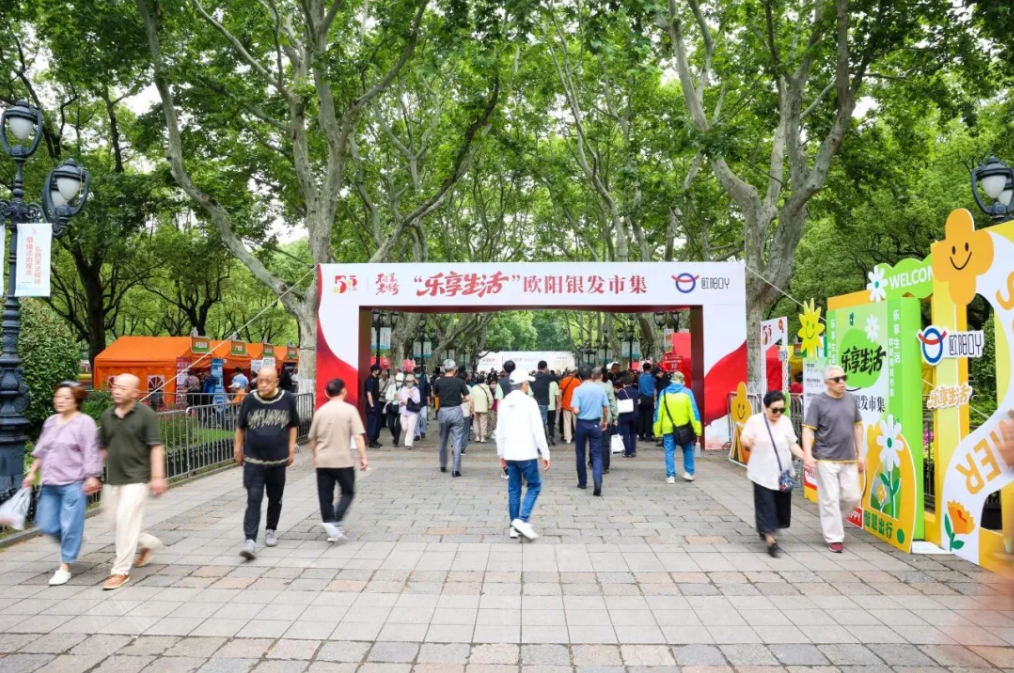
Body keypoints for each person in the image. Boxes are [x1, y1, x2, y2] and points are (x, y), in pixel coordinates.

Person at [22, 382, 102, 586]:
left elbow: (91, 451)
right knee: (47, 524)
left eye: (66, 398)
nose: (60, 401)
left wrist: (92, 476)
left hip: (73, 483)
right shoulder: (50, 421)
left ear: (76, 400)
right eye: (58, 396)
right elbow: (42, 450)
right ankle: (73, 541)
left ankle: (65, 566)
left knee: (69, 525)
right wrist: (31, 473)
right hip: (50, 482)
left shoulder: (84, 423)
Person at [98, 374, 167, 591]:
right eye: (115, 387)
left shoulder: (146, 414)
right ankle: (149, 543)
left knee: (125, 520)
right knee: (114, 521)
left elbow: (156, 446)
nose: (117, 391)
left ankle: (120, 571)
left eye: (122, 388)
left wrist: (157, 476)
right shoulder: (107, 415)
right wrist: (92, 474)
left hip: (138, 478)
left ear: (135, 393)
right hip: (113, 478)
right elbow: (103, 448)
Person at [234, 365, 300, 560]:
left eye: (267, 381)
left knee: (275, 497)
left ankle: (271, 528)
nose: (263, 384)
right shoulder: (250, 400)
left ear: (276, 382)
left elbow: (293, 425)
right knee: (253, 499)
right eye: (260, 380)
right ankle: (250, 540)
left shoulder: (287, 399)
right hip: (253, 460)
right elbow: (240, 427)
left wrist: (291, 449)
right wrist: (237, 448)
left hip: (277, 460)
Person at [803, 365, 864, 553]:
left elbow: (858, 426)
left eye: (844, 377)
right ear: (827, 383)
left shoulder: (851, 400)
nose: (842, 382)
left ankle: (833, 518)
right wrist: (808, 455)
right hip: (825, 458)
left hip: (848, 458)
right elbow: (808, 429)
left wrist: (860, 454)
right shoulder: (818, 402)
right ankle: (834, 537)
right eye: (837, 379)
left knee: (852, 496)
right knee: (829, 498)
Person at [741, 391, 805, 557]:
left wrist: (805, 456)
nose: (778, 413)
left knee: (781, 507)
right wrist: (748, 444)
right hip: (761, 473)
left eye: (781, 410)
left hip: (782, 473)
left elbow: (792, 443)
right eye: (774, 410)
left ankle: (766, 528)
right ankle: (771, 541)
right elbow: (744, 438)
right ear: (765, 407)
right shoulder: (755, 421)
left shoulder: (786, 422)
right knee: (766, 504)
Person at [309, 378, 368, 542]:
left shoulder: (320, 412)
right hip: (343, 460)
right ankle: (335, 521)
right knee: (348, 491)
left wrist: (315, 455)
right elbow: (358, 437)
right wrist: (363, 457)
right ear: (344, 391)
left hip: (322, 460)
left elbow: (312, 438)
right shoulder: (350, 410)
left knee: (325, 495)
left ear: (327, 393)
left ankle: (329, 524)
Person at [497, 370, 551, 541]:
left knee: (514, 489)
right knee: (534, 485)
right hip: (527, 451)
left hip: (510, 451)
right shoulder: (530, 402)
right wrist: (545, 452)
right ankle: (522, 520)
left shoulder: (504, 403)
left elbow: (499, 430)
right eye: (527, 383)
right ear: (524, 385)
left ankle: (514, 526)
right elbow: (538, 429)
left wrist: (501, 453)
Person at [653, 372, 702, 483]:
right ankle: (689, 472)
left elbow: (658, 412)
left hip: (667, 427)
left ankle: (670, 476)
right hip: (684, 427)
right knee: (687, 449)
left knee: (669, 451)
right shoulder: (687, 393)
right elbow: (693, 412)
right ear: (682, 381)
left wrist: (657, 429)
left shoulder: (663, 393)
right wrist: (697, 428)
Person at [571, 366, 609, 496]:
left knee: (580, 453)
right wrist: (604, 421)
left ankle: (582, 482)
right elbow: (605, 407)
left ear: (579, 377)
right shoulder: (600, 389)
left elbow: (575, 410)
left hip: (582, 424)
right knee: (597, 454)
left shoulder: (577, 390)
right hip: (595, 424)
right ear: (592, 376)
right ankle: (597, 482)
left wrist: (579, 412)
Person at [434, 360, 471, 477]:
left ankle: (443, 464)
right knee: (457, 440)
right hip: (456, 411)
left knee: (443, 439)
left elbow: (435, 395)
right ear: (454, 369)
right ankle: (456, 470)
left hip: (443, 411)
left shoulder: (438, 381)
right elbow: (468, 398)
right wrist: (459, 400)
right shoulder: (459, 381)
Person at [593, 368, 618, 475]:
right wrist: (615, 417)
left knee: (594, 442)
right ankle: (604, 466)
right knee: (605, 443)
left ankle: (593, 462)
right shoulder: (608, 387)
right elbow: (612, 403)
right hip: (605, 419)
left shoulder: (588, 387)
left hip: (592, 419)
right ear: (602, 376)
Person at [530, 361, 554, 445]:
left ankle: (535, 441)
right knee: (542, 423)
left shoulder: (532, 378)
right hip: (544, 403)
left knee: (535, 422)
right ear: (545, 367)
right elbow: (558, 378)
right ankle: (542, 441)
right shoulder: (547, 376)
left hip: (534, 403)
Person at [617, 374, 638, 457]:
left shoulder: (621, 392)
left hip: (624, 415)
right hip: (634, 414)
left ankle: (628, 451)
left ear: (623, 384)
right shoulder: (636, 391)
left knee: (625, 434)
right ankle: (633, 451)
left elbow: (618, 401)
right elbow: (639, 401)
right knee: (633, 433)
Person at [398, 373, 422, 449]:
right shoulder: (403, 389)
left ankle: (408, 443)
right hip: (403, 411)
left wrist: (412, 395)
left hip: (412, 412)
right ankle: (408, 438)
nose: (409, 382)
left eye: (410, 381)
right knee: (404, 427)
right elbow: (400, 400)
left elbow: (417, 400)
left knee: (411, 428)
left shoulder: (415, 390)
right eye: (407, 381)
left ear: (413, 381)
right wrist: (401, 402)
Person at [364, 364, 383, 448]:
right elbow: (369, 393)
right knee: (372, 423)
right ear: (374, 370)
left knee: (378, 423)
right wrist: (372, 406)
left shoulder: (376, 379)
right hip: (372, 403)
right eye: (378, 369)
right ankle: (371, 441)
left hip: (377, 402)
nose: (379, 371)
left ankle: (375, 439)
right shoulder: (370, 380)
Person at [559, 369, 580, 444]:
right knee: (576, 422)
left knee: (567, 422)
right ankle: (578, 437)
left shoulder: (563, 381)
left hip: (566, 404)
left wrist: (560, 403)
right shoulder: (577, 381)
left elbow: (560, 393)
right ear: (574, 372)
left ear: (567, 372)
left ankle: (568, 438)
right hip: (575, 405)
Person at [471, 374, 493, 443]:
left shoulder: (473, 388)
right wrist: (490, 405)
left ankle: (477, 437)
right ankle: (482, 438)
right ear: (484, 380)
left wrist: (471, 408)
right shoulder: (487, 387)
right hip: (484, 407)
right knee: (483, 423)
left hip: (475, 408)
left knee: (475, 422)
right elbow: (490, 398)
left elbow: (471, 399)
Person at [637, 362, 656, 441]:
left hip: (641, 398)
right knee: (649, 417)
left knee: (641, 417)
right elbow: (655, 385)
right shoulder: (652, 377)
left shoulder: (640, 377)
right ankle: (648, 435)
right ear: (650, 368)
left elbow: (639, 388)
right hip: (649, 398)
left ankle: (640, 435)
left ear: (643, 368)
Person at [386, 372, 404, 446]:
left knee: (398, 426)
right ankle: (395, 436)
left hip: (400, 408)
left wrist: (400, 397)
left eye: (400, 381)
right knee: (390, 425)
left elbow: (405, 399)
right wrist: (393, 396)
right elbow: (387, 396)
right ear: (396, 380)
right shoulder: (391, 387)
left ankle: (396, 441)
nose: (399, 382)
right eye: (398, 381)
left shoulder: (404, 389)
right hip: (391, 407)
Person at [414, 367, 430, 440]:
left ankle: (423, 430)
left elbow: (427, 390)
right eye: (416, 372)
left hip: (423, 402)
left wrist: (428, 399)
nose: (418, 374)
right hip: (414, 403)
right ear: (414, 373)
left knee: (424, 417)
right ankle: (417, 434)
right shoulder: (412, 381)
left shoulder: (424, 380)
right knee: (416, 419)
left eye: (419, 372)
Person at [546, 374, 560, 446]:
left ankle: (545, 438)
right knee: (551, 423)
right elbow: (557, 395)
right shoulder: (554, 383)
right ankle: (551, 435)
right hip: (551, 407)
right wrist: (559, 405)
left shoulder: (541, 382)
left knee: (543, 423)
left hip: (542, 405)